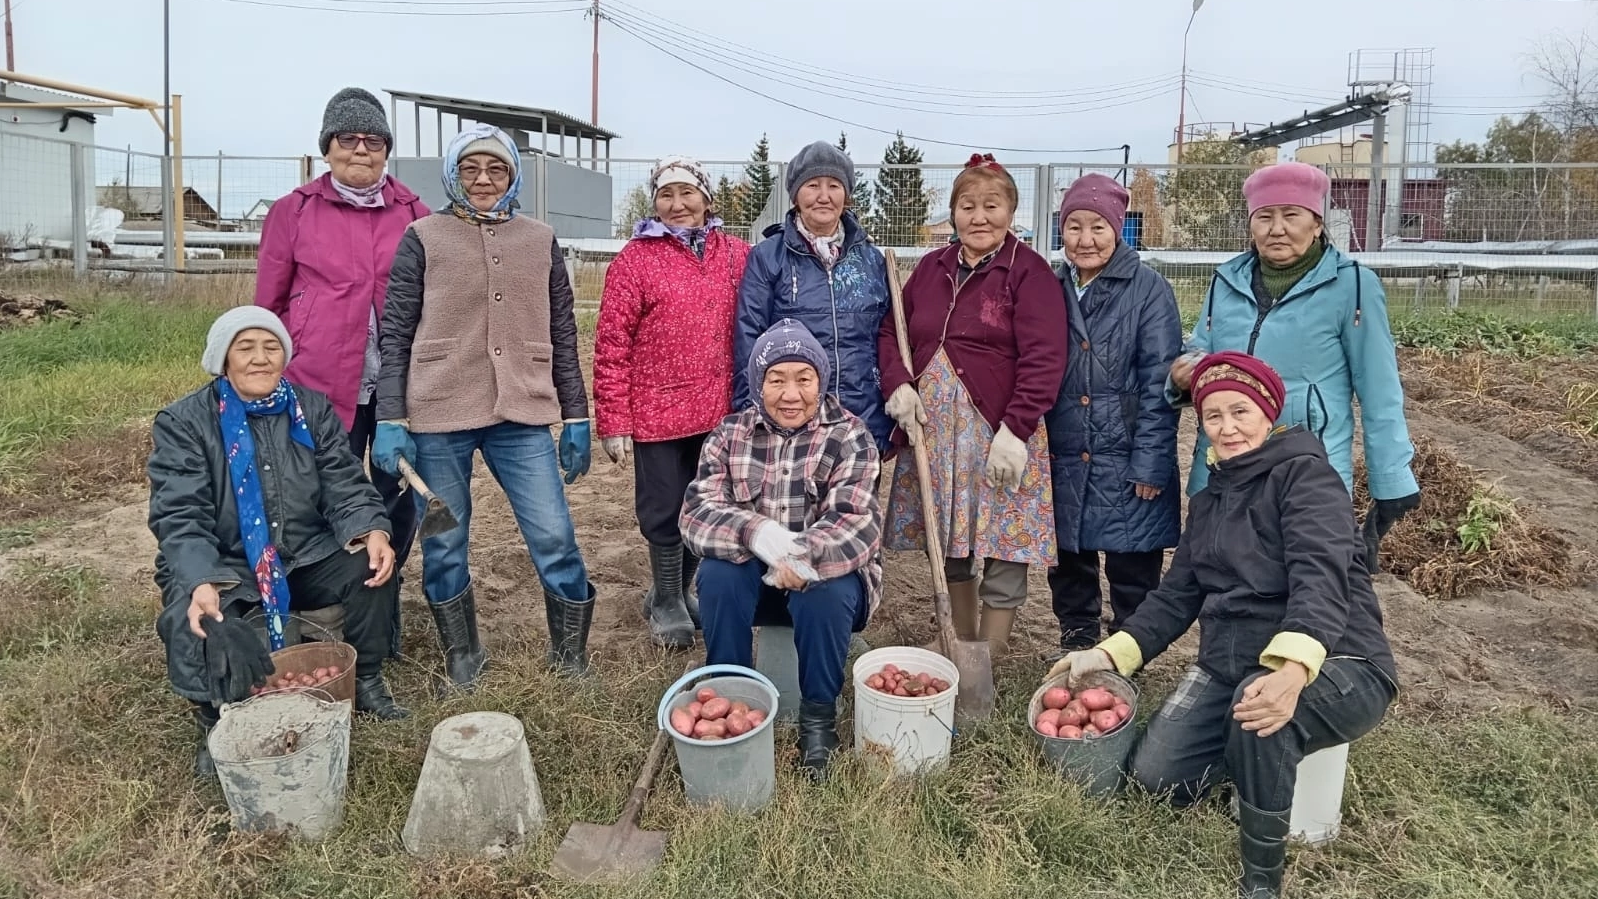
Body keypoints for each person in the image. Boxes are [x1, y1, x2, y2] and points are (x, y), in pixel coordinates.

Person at [1050, 352, 1399, 899]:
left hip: (1339, 660)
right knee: (1157, 778)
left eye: (1241, 411)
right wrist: (1107, 654)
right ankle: (1251, 765)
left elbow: (1321, 577)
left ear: (1268, 414)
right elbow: (1177, 595)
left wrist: (1291, 671)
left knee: (1261, 712)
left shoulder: (1306, 476)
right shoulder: (1210, 498)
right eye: (1213, 415)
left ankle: (1261, 880)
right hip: (1231, 661)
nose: (1228, 427)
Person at [372, 124, 596, 688]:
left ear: (513, 175)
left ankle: (570, 657)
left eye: (496, 169)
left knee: (553, 534)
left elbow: (563, 334)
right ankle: (463, 657)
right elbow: (395, 333)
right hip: (438, 411)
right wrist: (390, 417)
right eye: (470, 169)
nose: (483, 180)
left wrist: (576, 415)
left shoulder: (540, 240)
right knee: (445, 540)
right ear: (452, 174)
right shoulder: (423, 237)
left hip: (521, 413)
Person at [150, 307, 409, 778]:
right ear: (222, 357)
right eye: (245, 348)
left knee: (370, 567)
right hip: (229, 562)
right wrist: (200, 580)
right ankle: (214, 720)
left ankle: (366, 680)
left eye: (271, 348)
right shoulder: (185, 422)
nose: (259, 359)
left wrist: (371, 528)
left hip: (304, 551)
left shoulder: (309, 408)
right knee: (193, 616)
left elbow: (342, 480)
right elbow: (179, 514)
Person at [1168, 161, 1420, 569]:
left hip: (1307, 469)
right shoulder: (1226, 280)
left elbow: (1380, 389)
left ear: (1317, 223)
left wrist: (1391, 479)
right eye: (1264, 217)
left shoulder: (1352, 285)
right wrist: (1185, 370)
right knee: (1219, 582)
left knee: (1300, 585)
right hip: (1226, 462)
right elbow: (1203, 346)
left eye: (1291, 215)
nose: (1277, 228)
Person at [878, 153, 1067, 655]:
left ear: (1011, 211)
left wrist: (1016, 429)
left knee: (1004, 542)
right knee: (949, 541)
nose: (979, 217)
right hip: (937, 432)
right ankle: (959, 645)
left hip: (998, 433)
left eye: (991, 205)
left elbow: (1045, 356)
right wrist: (898, 383)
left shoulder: (1028, 273)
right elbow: (889, 332)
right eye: (967, 206)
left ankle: (991, 655)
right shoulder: (931, 269)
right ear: (954, 212)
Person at [681, 319, 881, 780]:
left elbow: (858, 521)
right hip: (756, 585)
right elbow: (696, 512)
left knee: (825, 591)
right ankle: (729, 701)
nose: (791, 394)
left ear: (821, 381)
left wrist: (803, 555)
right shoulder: (729, 435)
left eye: (803, 379)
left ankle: (818, 721)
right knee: (719, 575)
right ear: (758, 383)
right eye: (776, 380)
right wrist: (756, 533)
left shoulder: (849, 436)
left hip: (827, 588)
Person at [255, 87, 431, 582]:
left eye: (373, 140)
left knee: (397, 487)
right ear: (327, 146)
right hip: (321, 380)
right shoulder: (293, 211)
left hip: (398, 383)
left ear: (386, 150)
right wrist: (264, 374)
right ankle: (333, 589)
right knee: (325, 485)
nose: (360, 149)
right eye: (348, 138)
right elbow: (267, 305)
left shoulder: (414, 213)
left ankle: (384, 592)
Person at [594, 156, 751, 650]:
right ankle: (665, 597)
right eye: (667, 195)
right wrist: (613, 419)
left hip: (719, 408)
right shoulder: (635, 260)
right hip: (656, 411)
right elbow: (612, 343)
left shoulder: (735, 254)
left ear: (707, 199)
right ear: (654, 202)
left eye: (688, 194)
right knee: (664, 507)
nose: (678, 204)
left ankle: (679, 591)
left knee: (704, 502)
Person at [1044, 174, 1183, 655]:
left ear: (1118, 229)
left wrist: (1151, 463)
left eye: (1098, 227)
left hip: (1124, 452)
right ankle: (1077, 640)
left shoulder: (1149, 291)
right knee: (1069, 559)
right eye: (1074, 227)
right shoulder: (1052, 285)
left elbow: (1159, 382)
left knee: (1132, 564)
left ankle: (1127, 653)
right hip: (1063, 448)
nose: (1085, 240)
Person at [734, 140, 892, 453]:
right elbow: (749, 337)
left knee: (854, 503)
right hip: (791, 416)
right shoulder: (768, 257)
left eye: (834, 185)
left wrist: (887, 418)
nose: (823, 196)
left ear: (846, 195)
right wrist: (749, 409)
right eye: (812, 185)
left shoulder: (872, 260)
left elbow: (886, 338)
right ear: (795, 195)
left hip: (861, 419)